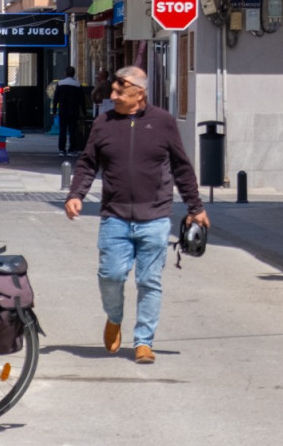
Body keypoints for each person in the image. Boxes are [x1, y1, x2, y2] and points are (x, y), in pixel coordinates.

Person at [64, 66, 210, 364]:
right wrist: (75, 195)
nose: (113, 95)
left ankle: (144, 341)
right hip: (114, 217)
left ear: (139, 93)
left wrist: (195, 208)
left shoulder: (163, 123)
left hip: (155, 218)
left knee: (149, 281)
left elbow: (182, 167)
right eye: (113, 90)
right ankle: (114, 318)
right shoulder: (104, 123)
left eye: (120, 91)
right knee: (111, 275)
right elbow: (88, 163)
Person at [53, 66, 86, 157]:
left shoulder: (60, 84)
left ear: (66, 73)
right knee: (73, 131)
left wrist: (54, 109)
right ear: (74, 73)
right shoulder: (77, 85)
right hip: (74, 111)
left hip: (63, 110)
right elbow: (82, 100)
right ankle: (72, 149)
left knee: (62, 131)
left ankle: (61, 149)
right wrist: (84, 111)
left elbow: (56, 98)